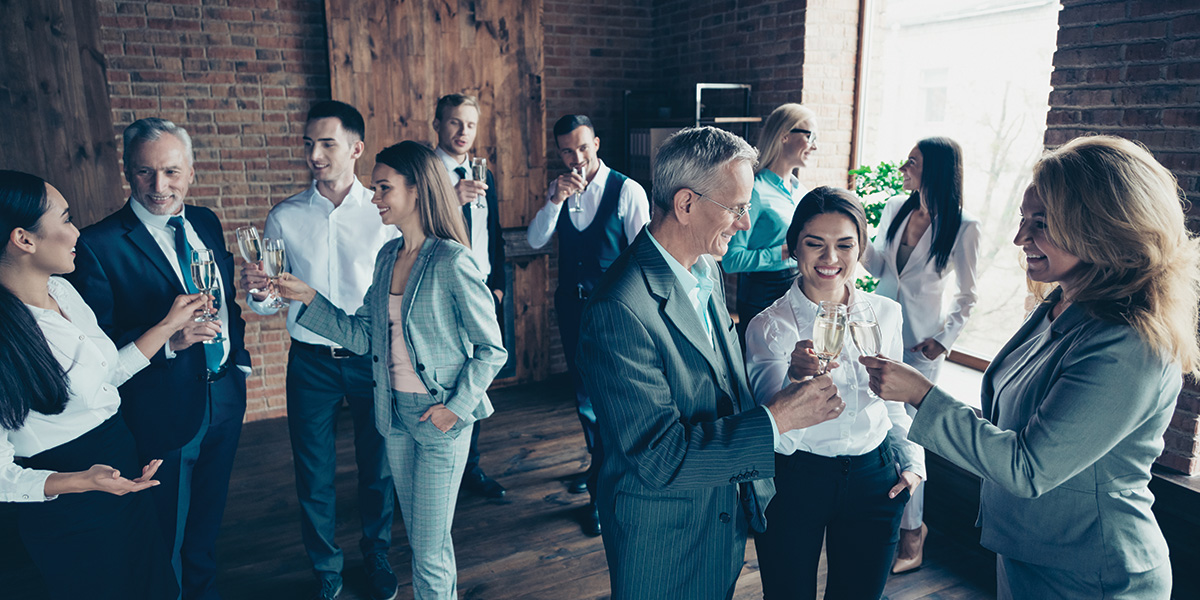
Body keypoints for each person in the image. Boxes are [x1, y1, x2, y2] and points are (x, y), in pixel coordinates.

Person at [861, 135, 1198, 599]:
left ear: (1102, 227)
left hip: (1092, 573)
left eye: (1041, 223)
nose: (1020, 238)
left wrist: (921, 394)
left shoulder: (1127, 343)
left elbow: (1028, 467)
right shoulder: (1059, 305)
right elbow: (1011, 424)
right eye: (1023, 219)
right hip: (1028, 551)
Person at [576, 126, 845, 600]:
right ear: (685, 204)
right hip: (664, 537)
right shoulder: (618, 308)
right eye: (737, 208)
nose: (745, 223)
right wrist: (778, 419)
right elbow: (659, 457)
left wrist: (789, 378)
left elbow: (722, 385)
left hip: (719, 515)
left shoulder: (706, 268)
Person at [274, 141, 507, 600]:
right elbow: (364, 336)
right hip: (396, 417)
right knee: (424, 541)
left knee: (429, 549)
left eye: (384, 188)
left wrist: (454, 409)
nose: (374, 198)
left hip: (440, 419)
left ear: (417, 189)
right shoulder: (387, 257)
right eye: (374, 188)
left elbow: (491, 349)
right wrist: (308, 298)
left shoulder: (452, 260)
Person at [67, 118, 253, 600]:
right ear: (128, 171)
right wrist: (169, 341)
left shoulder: (206, 221)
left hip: (225, 396)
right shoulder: (96, 245)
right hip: (161, 409)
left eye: (171, 171)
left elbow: (226, 303)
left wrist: (239, 363)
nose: (159, 186)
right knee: (164, 533)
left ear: (190, 171)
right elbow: (98, 346)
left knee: (206, 526)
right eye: (145, 172)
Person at [0, 170, 208, 599]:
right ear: (24, 239)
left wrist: (168, 326)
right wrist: (83, 480)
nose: (77, 231)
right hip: (68, 504)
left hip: (120, 465)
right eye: (66, 218)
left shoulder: (63, 291)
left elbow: (106, 375)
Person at [240, 100, 399, 600]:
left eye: (327, 143)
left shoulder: (384, 213)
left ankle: (377, 553)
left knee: (379, 467)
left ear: (356, 149)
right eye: (309, 143)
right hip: (310, 362)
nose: (315, 154)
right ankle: (326, 568)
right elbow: (268, 304)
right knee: (313, 473)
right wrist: (260, 293)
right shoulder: (284, 216)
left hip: (372, 358)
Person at [744, 186, 924, 599]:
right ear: (793, 246)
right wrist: (795, 381)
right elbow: (774, 435)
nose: (830, 258)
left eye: (845, 244)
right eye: (815, 244)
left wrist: (913, 463)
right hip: (796, 480)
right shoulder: (768, 326)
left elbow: (894, 407)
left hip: (875, 478)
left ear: (861, 248)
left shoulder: (886, 314)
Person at [860, 136, 980, 572]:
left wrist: (943, 340)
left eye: (912, 162)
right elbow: (878, 267)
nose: (903, 169)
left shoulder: (964, 226)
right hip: (879, 331)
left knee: (912, 437)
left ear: (936, 171)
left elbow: (968, 295)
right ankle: (881, 517)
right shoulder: (895, 207)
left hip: (920, 346)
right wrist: (856, 234)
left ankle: (913, 534)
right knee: (879, 422)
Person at [527, 113, 650, 535]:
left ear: (596, 143)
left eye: (582, 147)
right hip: (571, 308)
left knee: (612, 397)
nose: (576, 157)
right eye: (567, 151)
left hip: (614, 312)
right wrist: (554, 201)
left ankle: (603, 489)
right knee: (583, 396)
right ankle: (599, 469)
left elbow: (643, 257)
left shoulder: (627, 190)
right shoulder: (559, 189)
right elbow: (535, 240)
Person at [431, 93, 508, 500]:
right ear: (438, 125)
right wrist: (450, 198)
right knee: (445, 378)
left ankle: (469, 468)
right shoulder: (426, 175)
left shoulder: (483, 173)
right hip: (441, 291)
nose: (463, 132)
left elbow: (493, 233)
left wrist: (499, 286)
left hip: (482, 290)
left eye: (471, 124)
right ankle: (440, 464)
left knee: (476, 380)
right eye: (455, 122)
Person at [723, 103, 818, 344]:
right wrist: (785, 252)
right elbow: (731, 260)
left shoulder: (801, 192)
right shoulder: (755, 190)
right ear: (784, 135)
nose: (814, 145)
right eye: (810, 136)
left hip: (796, 289)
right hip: (761, 295)